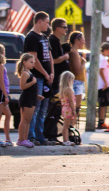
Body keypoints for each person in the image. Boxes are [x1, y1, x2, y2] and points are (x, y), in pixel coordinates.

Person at [22, 12, 53, 145]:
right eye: (46, 22)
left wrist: (52, 73)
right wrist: (45, 74)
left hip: (46, 77)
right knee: (35, 107)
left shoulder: (44, 37)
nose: (48, 25)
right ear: (39, 21)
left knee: (43, 109)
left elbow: (49, 56)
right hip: (37, 78)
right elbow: (34, 58)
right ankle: (31, 135)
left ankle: (40, 135)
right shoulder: (31, 37)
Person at [16, 54, 38, 148]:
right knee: (24, 120)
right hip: (26, 99)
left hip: (32, 98)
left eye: (33, 62)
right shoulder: (25, 73)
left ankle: (25, 138)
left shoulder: (30, 72)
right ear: (24, 62)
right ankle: (21, 139)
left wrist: (38, 95)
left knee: (29, 120)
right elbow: (23, 86)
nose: (33, 64)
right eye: (31, 62)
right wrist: (32, 82)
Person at [69, 31, 86, 126]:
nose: (84, 42)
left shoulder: (75, 53)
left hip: (78, 82)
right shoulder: (74, 53)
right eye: (82, 40)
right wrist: (83, 62)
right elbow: (78, 71)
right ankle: (70, 129)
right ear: (77, 40)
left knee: (76, 108)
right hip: (76, 82)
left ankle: (71, 129)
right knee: (75, 109)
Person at [57, 71, 77, 146]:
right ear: (69, 80)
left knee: (66, 125)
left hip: (64, 108)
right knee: (66, 126)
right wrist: (74, 110)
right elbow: (71, 100)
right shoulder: (69, 89)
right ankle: (66, 140)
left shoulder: (63, 89)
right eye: (72, 80)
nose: (73, 81)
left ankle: (66, 139)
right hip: (69, 108)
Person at [96, 43, 109, 130]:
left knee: (104, 104)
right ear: (105, 49)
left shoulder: (103, 58)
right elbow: (101, 70)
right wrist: (106, 82)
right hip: (103, 85)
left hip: (103, 84)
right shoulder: (102, 59)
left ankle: (101, 121)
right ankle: (101, 122)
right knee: (103, 104)